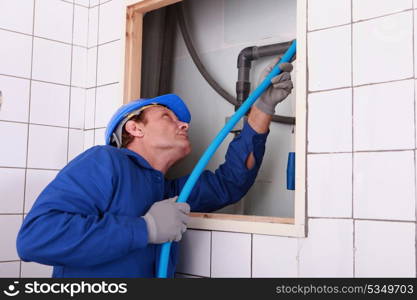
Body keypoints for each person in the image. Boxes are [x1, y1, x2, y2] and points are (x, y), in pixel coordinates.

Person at [16, 59, 293, 278]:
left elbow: (230, 183)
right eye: (167, 117)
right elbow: (36, 238)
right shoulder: (105, 162)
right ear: (135, 128)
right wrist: (144, 229)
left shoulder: (165, 191)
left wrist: (262, 107)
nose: (184, 125)